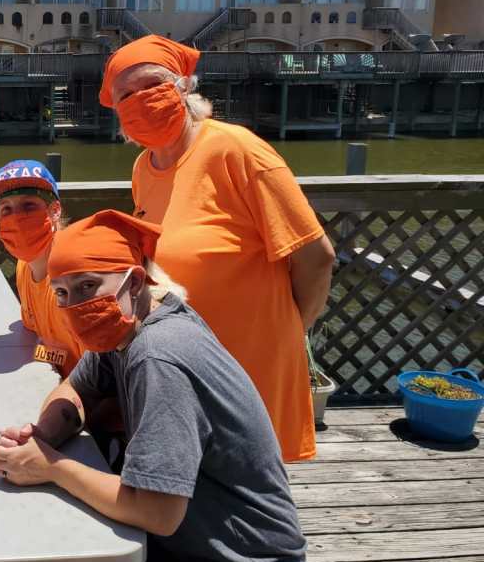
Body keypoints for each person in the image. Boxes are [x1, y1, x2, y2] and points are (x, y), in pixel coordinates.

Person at [0, 210, 314, 562]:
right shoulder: (128, 324)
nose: (75, 305)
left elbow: (157, 512)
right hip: (187, 552)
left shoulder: (157, 355)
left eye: (88, 286)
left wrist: (51, 466)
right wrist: (41, 436)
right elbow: (76, 390)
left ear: (134, 281)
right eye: (62, 293)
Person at [102, 35, 335, 462]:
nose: (141, 100)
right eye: (126, 95)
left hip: (248, 369)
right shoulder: (143, 168)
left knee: (246, 490)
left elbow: (316, 257)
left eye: (152, 84)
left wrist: (287, 330)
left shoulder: (237, 150)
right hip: (183, 369)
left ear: (184, 85)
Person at [0, 160, 80, 377]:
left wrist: (34, 355)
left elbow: (95, 369)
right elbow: (61, 354)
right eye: (6, 209)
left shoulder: (76, 278)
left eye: (29, 205)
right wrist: (35, 353)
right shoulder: (24, 266)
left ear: (55, 210)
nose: (17, 217)